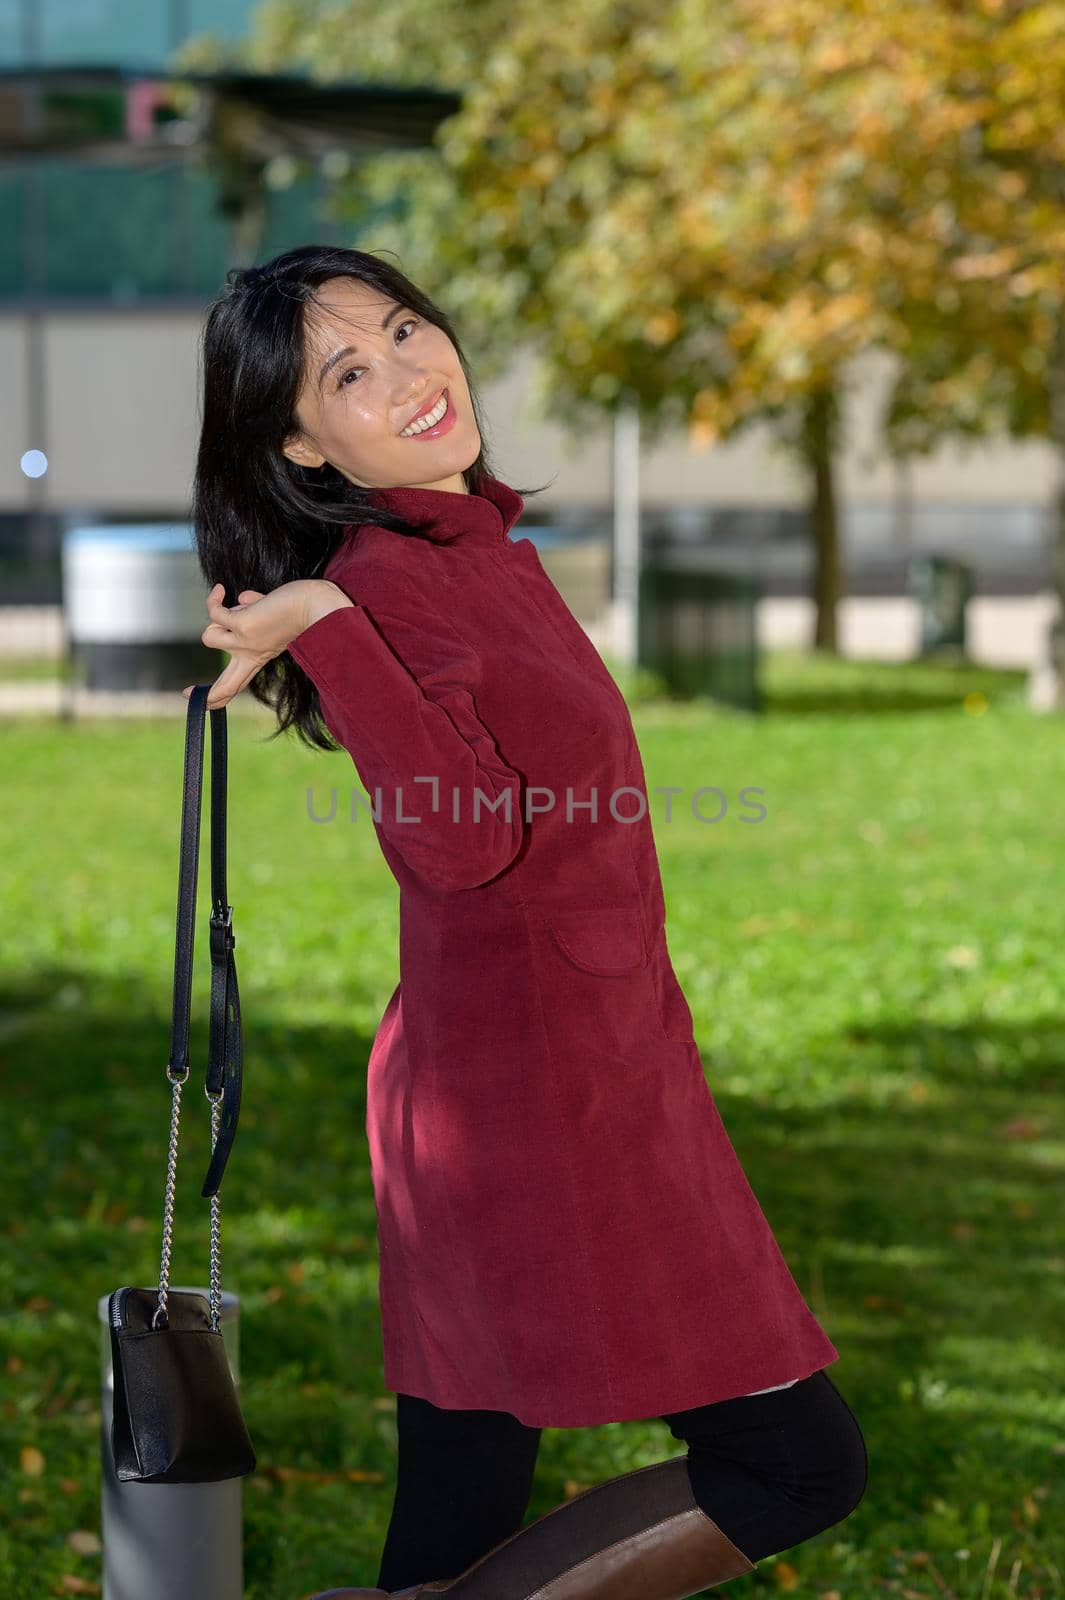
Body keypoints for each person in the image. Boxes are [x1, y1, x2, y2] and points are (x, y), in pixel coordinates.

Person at [188, 244, 868, 1599]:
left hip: (551, 1064)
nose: (407, 371)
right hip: (537, 1101)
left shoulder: (474, 545)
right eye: (348, 372)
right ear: (303, 446)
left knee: (462, 1498)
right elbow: (460, 837)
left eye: (401, 327)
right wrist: (325, 614)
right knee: (794, 1465)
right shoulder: (388, 580)